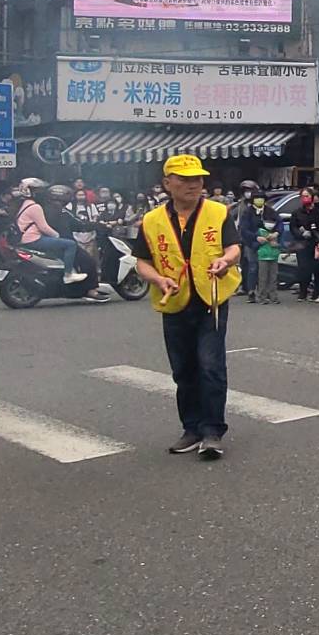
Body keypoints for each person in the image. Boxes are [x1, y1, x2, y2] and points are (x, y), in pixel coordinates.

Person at [132, 154, 241, 460]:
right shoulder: (152, 221)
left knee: (210, 365)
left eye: (198, 179)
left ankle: (211, 431)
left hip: (211, 299)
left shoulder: (218, 212)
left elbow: (233, 246)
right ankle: (191, 428)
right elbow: (142, 262)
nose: (194, 184)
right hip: (175, 300)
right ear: (167, 183)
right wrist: (158, 279)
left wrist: (225, 260)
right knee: (183, 370)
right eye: (185, 179)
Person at [15, 179, 87, 283]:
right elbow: (44, 227)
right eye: (37, 190)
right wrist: (57, 235)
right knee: (70, 244)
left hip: (24, 238)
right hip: (33, 239)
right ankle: (68, 274)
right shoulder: (35, 207)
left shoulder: (24, 204)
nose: (41, 193)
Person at [290, 188, 319, 303]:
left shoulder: (318, 211)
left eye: (307, 196)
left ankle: (318, 292)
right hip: (302, 244)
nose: (305, 198)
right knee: (303, 268)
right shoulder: (297, 212)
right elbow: (293, 227)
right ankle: (303, 292)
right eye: (303, 196)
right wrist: (301, 233)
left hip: (317, 244)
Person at [255, 210, 281, 306]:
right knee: (262, 278)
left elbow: (282, 245)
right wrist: (260, 240)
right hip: (263, 256)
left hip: (273, 256)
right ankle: (262, 297)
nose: (270, 224)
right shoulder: (260, 232)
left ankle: (273, 296)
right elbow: (254, 242)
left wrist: (276, 244)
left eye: (272, 222)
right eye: (268, 222)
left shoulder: (276, 233)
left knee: (273, 277)